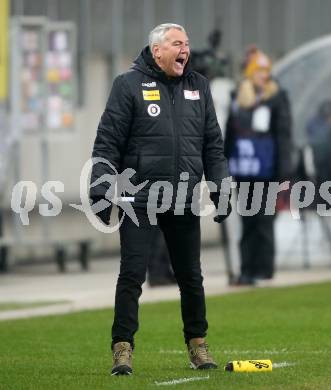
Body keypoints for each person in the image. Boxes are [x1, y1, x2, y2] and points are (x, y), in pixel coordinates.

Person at [90, 23, 231, 375]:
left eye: (187, 42)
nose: (185, 49)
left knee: (191, 277)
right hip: (138, 199)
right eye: (177, 43)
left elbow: (212, 144)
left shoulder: (199, 86)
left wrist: (221, 187)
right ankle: (122, 349)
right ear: (157, 51)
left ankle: (198, 345)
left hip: (182, 196)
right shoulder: (128, 86)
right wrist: (101, 189)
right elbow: (107, 143)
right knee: (132, 274)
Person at [224, 47, 292, 285]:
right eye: (259, 70)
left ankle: (263, 268)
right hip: (244, 170)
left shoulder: (276, 97)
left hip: (267, 170)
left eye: (266, 70)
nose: (264, 75)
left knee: (264, 219)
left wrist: (284, 170)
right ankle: (247, 268)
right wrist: (222, 164)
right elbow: (230, 134)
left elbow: (283, 135)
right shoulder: (237, 97)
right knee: (248, 220)